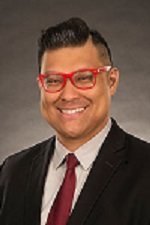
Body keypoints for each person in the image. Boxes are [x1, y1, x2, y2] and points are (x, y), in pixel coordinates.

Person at [0, 17, 150, 225]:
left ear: (112, 81)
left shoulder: (145, 171)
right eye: (53, 81)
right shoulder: (12, 172)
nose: (68, 95)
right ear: (41, 86)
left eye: (83, 78)